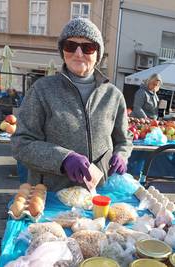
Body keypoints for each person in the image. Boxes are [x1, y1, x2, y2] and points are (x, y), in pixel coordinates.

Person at [11, 18, 133, 191]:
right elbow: (21, 144)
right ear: (62, 51)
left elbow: (124, 139)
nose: (78, 53)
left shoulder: (113, 96)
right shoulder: (42, 90)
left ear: (97, 54)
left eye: (87, 47)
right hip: (52, 197)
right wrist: (63, 158)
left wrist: (122, 155)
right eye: (70, 45)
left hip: (97, 196)